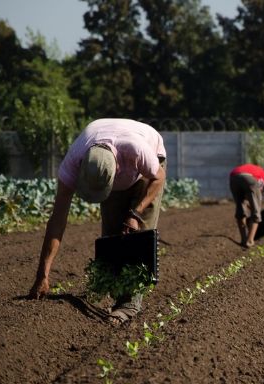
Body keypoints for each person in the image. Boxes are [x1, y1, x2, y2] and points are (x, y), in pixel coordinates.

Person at [28, 118, 167, 325]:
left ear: (115, 171)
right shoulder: (73, 162)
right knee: (111, 235)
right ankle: (119, 294)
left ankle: (129, 304)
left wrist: (135, 214)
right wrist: (42, 275)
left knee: (138, 234)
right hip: (115, 161)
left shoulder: (137, 150)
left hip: (147, 166)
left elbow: (159, 177)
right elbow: (57, 221)